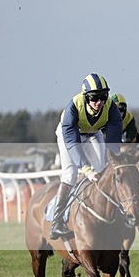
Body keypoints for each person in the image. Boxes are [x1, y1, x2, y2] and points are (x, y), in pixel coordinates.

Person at [51, 73, 123, 239]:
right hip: (69, 135)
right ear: (85, 97)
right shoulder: (73, 108)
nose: (99, 102)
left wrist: (114, 157)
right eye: (94, 98)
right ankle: (57, 222)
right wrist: (85, 168)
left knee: (103, 170)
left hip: (92, 133)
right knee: (71, 174)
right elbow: (72, 143)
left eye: (103, 97)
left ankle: (110, 212)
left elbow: (113, 139)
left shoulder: (111, 107)